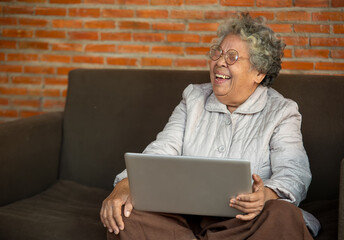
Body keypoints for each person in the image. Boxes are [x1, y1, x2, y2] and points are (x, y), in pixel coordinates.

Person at [100, 12, 320, 239]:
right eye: (218, 52)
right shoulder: (193, 98)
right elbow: (162, 150)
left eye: (232, 57)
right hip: (186, 219)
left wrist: (266, 195)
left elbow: (294, 173)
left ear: (258, 72)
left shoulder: (281, 111)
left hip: (245, 222)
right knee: (125, 213)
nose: (220, 62)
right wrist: (126, 184)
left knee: (283, 215)